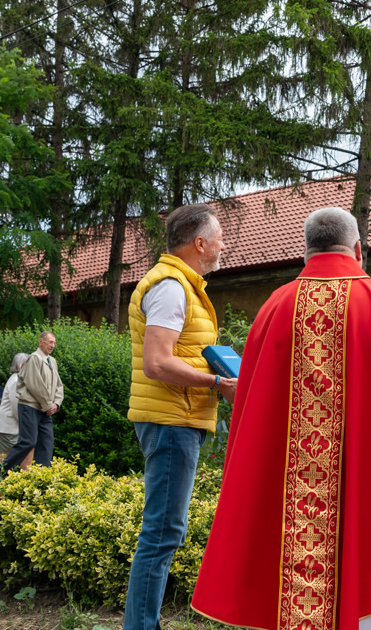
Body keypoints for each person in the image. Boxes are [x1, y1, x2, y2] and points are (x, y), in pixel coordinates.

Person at [192, 207, 371, 630]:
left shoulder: (273, 310)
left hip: (290, 514)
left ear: (306, 250)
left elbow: (249, 423)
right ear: (358, 250)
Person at [123, 203, 232, 630]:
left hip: (177, 418)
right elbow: (157, 363)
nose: (224, 245)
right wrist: (217, 383)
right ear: (199, 243)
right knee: (163, 533)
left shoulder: (180, 284)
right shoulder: (171, 286)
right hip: (172, 421)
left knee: (164, 531)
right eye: (219, 237)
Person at [0, 332, 64, 471]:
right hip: (30, 407)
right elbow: (35, 385)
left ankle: (43, 476)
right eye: (50, 342)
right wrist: (48, 405)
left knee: (46, 443)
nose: (52, 345)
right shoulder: (34, 358)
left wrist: (56, 404)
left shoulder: (52, 361)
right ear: (41, 342)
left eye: (54, 342)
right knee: (27, 442)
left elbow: (59, 385)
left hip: (45, 409)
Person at [0, 353, 33, 473]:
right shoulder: (17, 381)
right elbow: (17, 408)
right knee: (3, 457)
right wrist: (28, 425)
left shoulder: (19, 379)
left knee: (5, 456)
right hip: (7, 427)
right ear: (22, 365)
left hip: (7, 426)